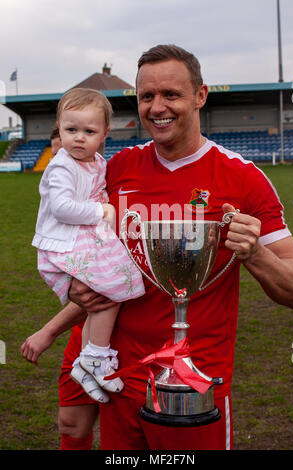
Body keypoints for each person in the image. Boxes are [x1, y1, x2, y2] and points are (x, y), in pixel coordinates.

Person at [21, 44, 293, 451]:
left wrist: (256, 254)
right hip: (118, 382)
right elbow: (85, 253)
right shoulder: (114, 172)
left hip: (194, 389)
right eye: (146, 97)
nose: (157, 107)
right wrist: (74, 287)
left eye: (171, 94)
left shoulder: (243, 178)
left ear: (200, 96)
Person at [30, 87, 145, 404]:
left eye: (89, 131)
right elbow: (63, 208)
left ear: (105, 133)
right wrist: (101, 211)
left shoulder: (97, 162)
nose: (79, 138)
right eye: (71, 130)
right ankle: (93, 356)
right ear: (60, 127)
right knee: (113, 287)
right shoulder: (62, 166)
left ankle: (90, 358)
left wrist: (102, 207)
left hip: (84, 239)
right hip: (64, 244)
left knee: (113, 288)